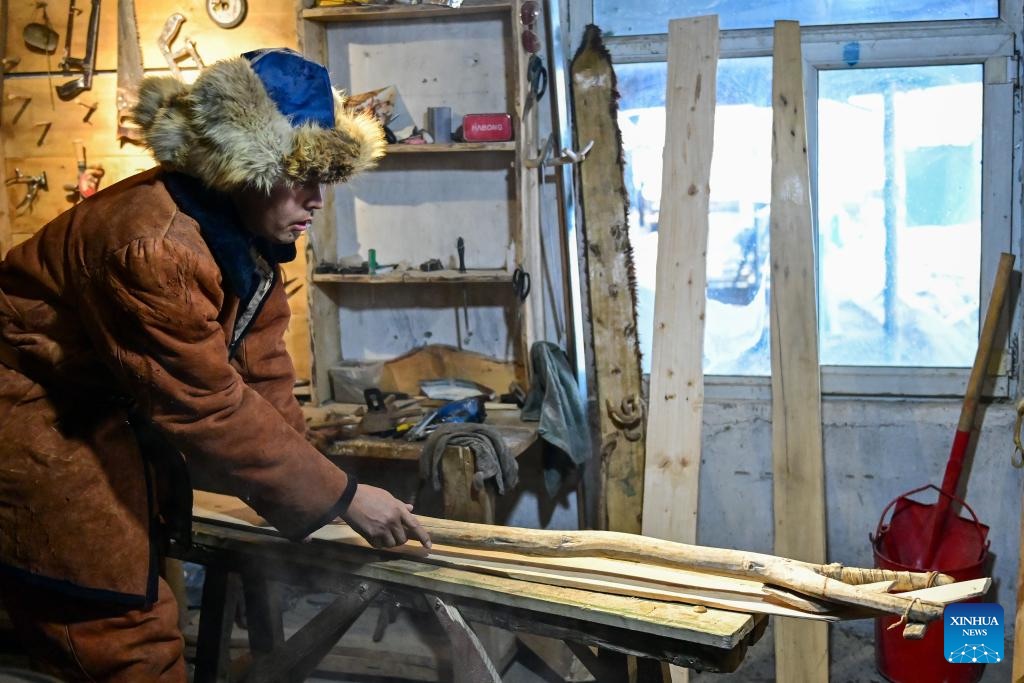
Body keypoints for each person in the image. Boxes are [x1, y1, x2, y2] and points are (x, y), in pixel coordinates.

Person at [0, 48, 429, 682]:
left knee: (147, 594)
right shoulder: (156, 244)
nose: (316, 200)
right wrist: (343, 497)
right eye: (301, 175)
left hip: (96, 418)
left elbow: (262, 372)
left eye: (326, 178)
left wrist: (316, 492)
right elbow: (206, 405)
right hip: (33, 426)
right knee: (121, 636)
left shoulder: (243, 238)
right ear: (242, 165)